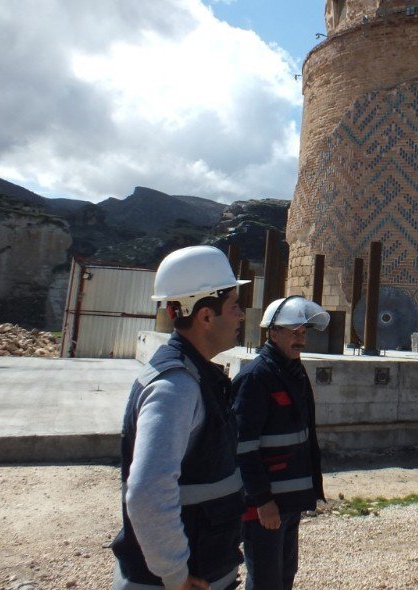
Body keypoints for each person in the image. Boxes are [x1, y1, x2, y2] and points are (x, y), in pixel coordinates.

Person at [111, 245, 248, 590]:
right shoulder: (177, 387)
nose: (241, 316)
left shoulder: (192, 374)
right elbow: (146, 492)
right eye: (234, 306)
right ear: (205, 316)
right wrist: (175, 575)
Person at [232, 295, 329, 590]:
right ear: (273, 333)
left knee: (285, 574)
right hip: (267, 505)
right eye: (293, 333)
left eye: (303, 334)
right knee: (265, 580)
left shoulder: (294, 372)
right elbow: (243, 445)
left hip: (290, 501)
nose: (300, 340)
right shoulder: (256, 377)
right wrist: (262, 500)